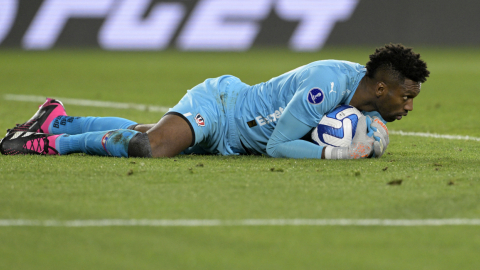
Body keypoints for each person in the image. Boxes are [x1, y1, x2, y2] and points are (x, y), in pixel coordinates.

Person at [0, 43, 429, 159]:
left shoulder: (363, 93)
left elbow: (342, 127)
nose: (408, 106)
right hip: (223, 108)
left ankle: (57, 120)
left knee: (146, 131)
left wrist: (369, 135)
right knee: (153, 146)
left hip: (235, 138)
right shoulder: (325, 83)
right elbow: (280, 145)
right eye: (406, 97)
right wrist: (338, 155)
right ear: (380, 88)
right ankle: (48, 143)